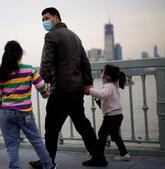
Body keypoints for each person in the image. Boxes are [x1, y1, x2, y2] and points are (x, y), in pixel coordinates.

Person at [29, 7, 108, 168]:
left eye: (47, 18)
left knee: (51, 127)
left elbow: (46, 63)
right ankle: (98, 156)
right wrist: (88, 83)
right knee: (82, 123)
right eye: (42, 20)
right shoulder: (75, 36)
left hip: (61, 90)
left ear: (56, 18)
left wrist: (43, 86)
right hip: (76, 90)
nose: (44, 22)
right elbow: (85, 62)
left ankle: (48, 161)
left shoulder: (50, 36)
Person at [0, 40, 54, 169]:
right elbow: (42, 87)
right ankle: (48, 166)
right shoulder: (29, 70)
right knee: (36, 141)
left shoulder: (2, 72)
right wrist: (47, 88)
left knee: (12, 145)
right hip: (25, 112)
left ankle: (14, 167)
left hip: (6, 113)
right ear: (20, 54)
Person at [85, 64, 131, 163]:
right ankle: (124, 154)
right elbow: (106, 100)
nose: (101, 73)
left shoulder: (108, 86)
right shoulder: (114, 85)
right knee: (114, 135)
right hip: (118, 115)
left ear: (107, 76)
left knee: (102, 134)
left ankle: (97, 154)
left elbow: (103, 94)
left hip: (111, 117)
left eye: (103, 72)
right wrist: (97, 99)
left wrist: (90, 90)